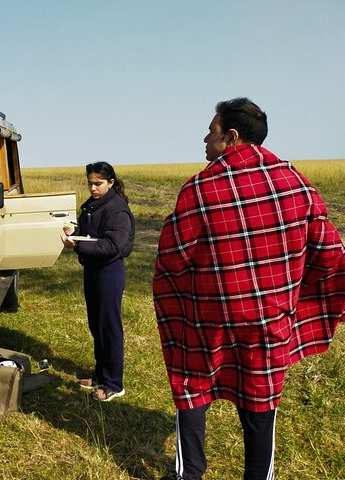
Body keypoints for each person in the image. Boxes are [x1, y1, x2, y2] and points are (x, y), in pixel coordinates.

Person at [153, 98, 345, 480]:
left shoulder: (199, 188)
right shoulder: (297, 184)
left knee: (192, 388)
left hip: (208, 324)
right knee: (261, 403)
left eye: (212, 131)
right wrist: (294, 295)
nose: (205, 138)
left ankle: (189, 474)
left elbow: (172, 257)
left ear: (232, 137)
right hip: (269, 325)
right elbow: (330, 255)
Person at [62, 161, 135, 402]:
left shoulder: (117, 209)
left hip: (109, 273)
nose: (93, 188)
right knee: (96, 324)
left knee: (109, 328)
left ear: (111, 182)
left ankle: (114, 383)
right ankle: (101, 373)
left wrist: (78, 245)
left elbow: (113, 245)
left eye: (98, 184)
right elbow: (89, 232)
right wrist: (75, 231)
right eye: (90, 184)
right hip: (93, 270)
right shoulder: (93, 205)